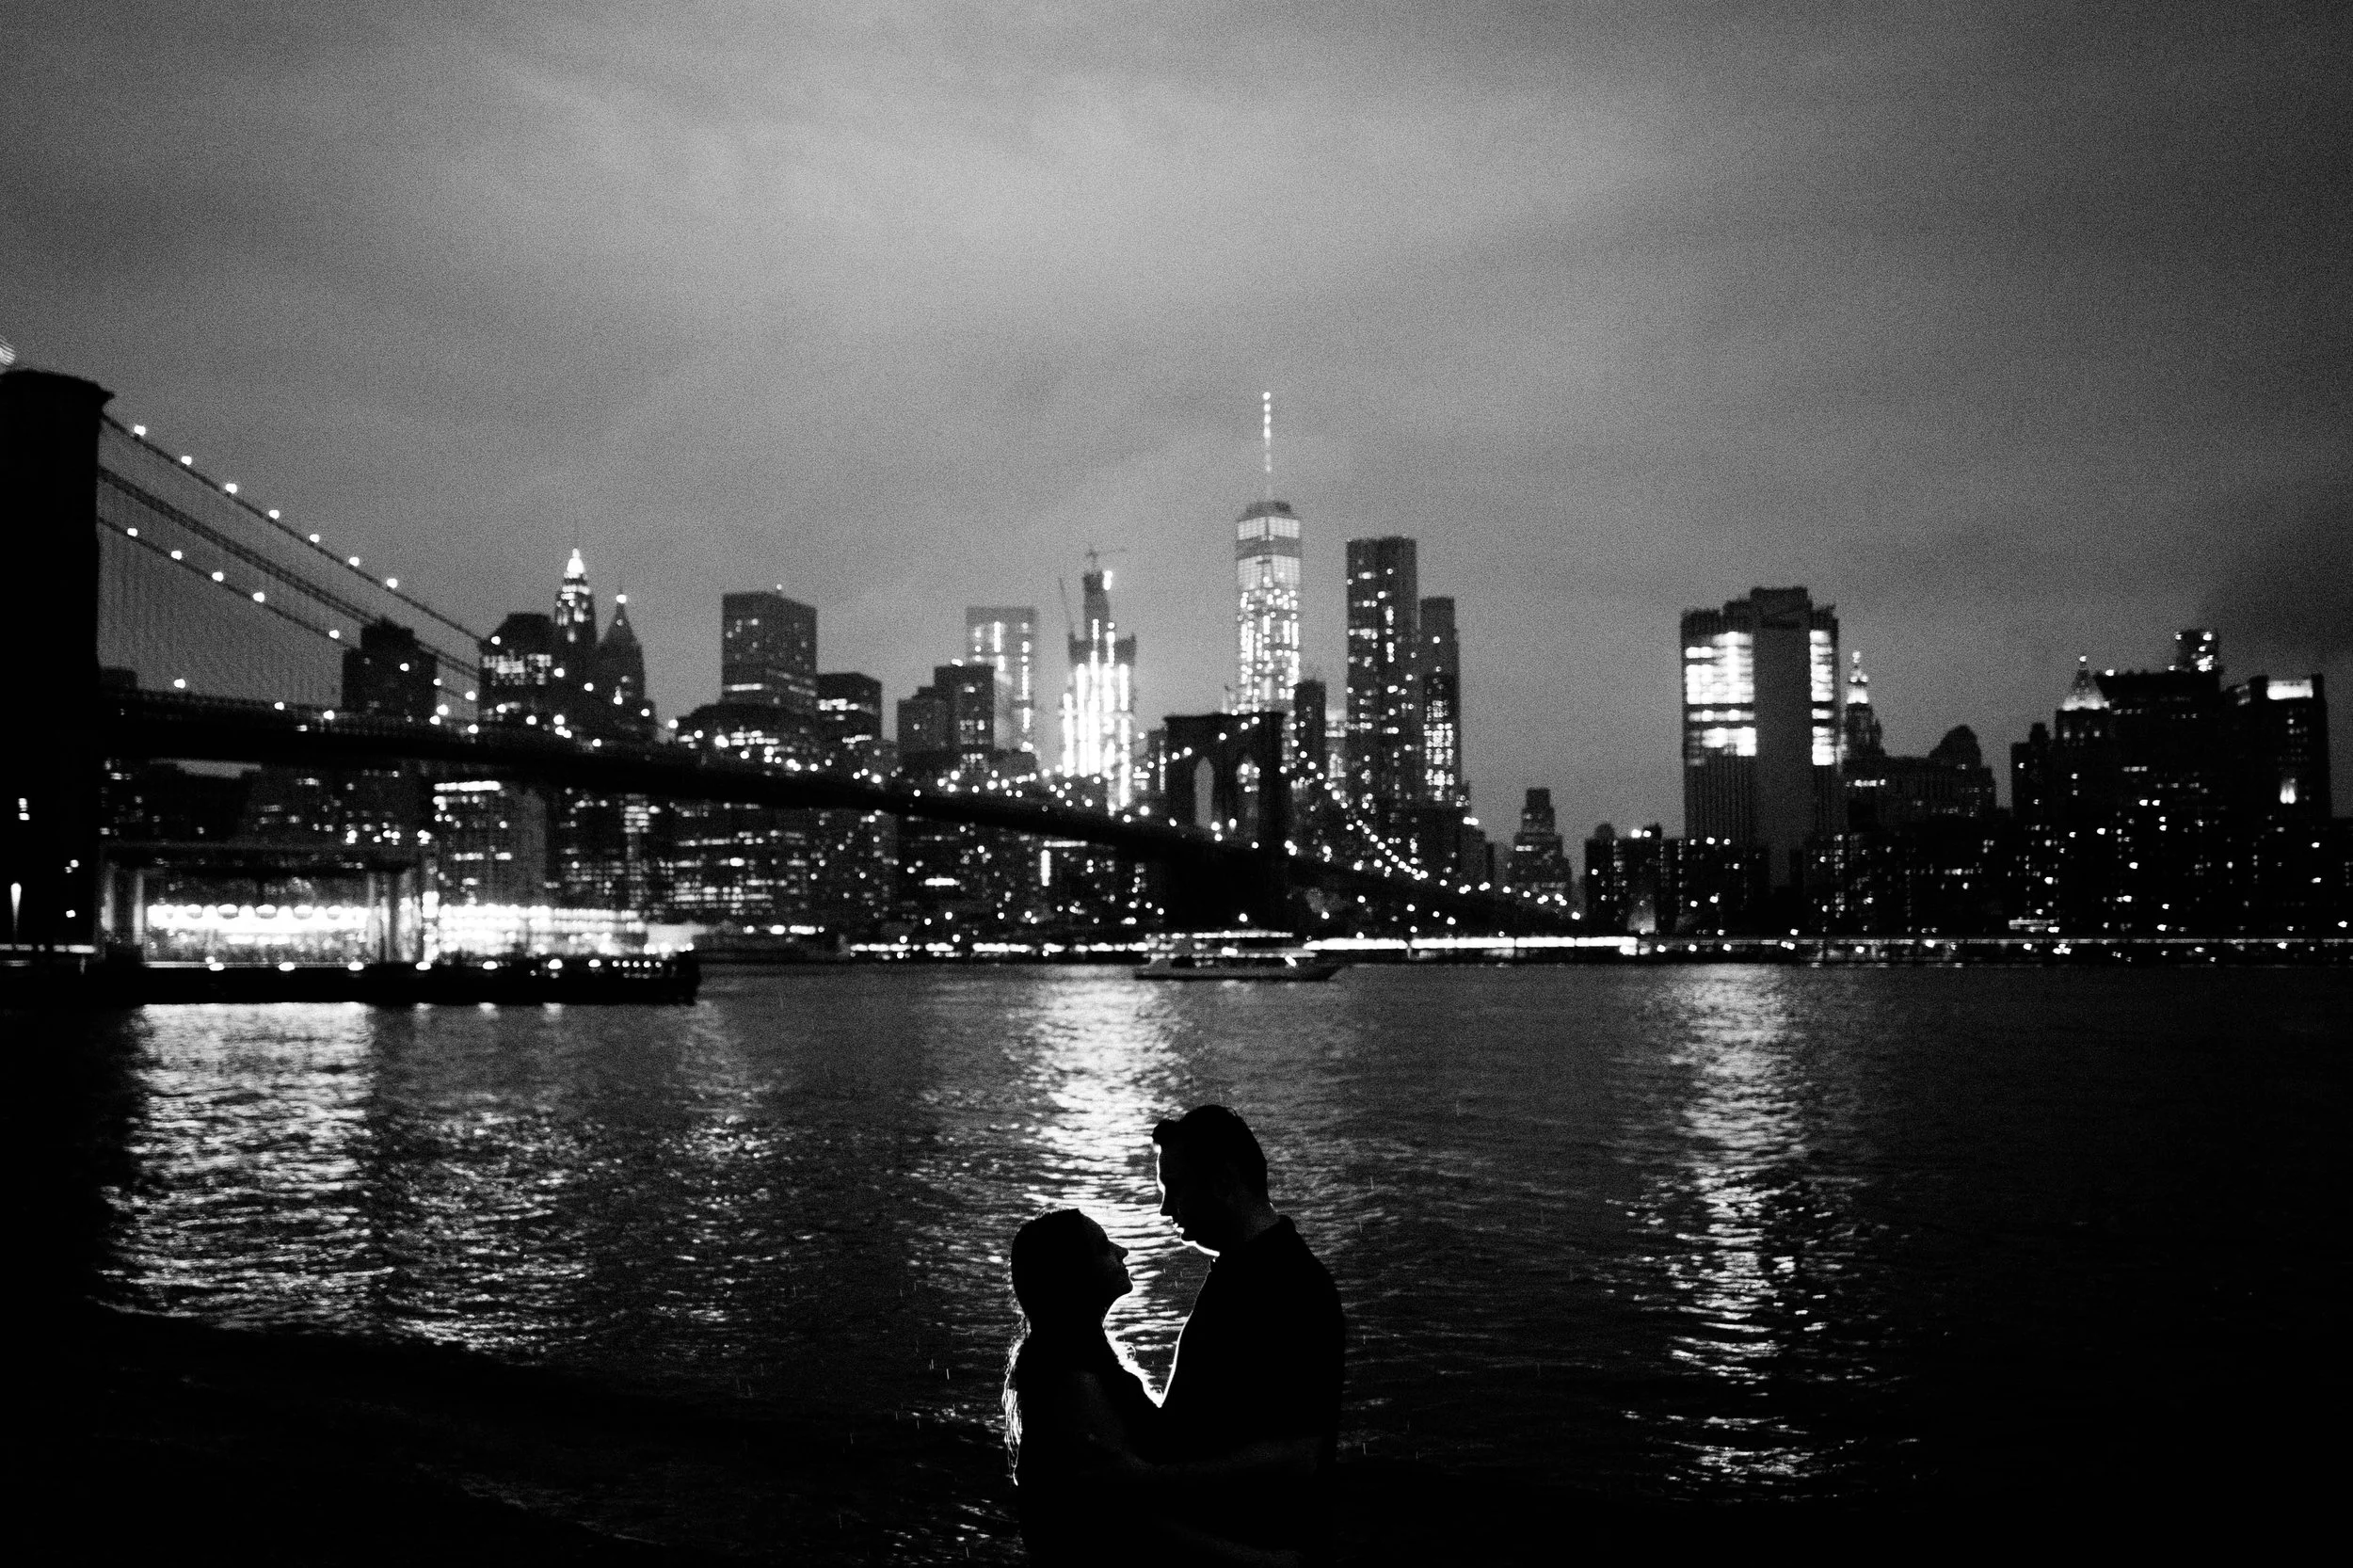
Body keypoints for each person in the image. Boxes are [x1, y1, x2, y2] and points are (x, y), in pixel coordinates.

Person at [1002, 1208, 1302, 1567]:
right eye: (1103, 1247)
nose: (1122, 1251)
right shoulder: (1073, 1384)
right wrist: (1261, 1562)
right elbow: (1129, 1521)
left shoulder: (1075, 1361)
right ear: (1072, 1276)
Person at [1126, 1105, 1346, 1565]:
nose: (1165, 1208)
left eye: (1175, 1188)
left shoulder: (1293, 1287)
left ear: (1225, 1183)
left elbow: (1297, 1454)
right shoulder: (1241, 1269)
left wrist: (1150, 1481)